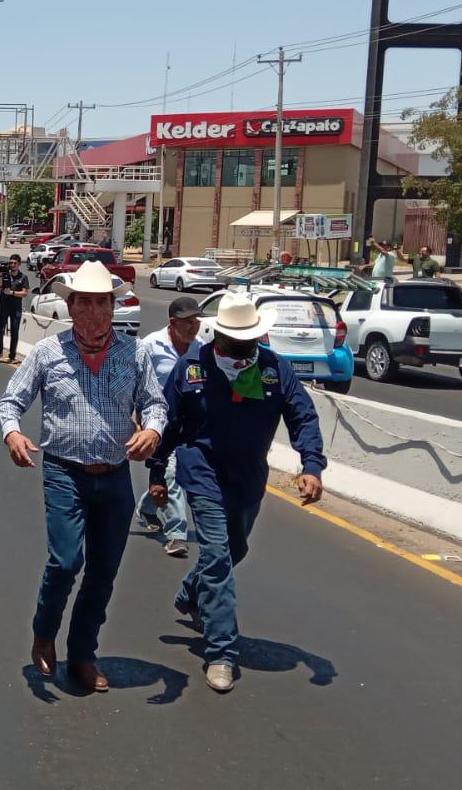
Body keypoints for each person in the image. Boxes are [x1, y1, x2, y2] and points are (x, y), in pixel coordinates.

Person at [0, 260, 168, 693]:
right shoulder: (48, 352)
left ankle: (83, 655)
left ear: (113, 306)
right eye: (85, 303)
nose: (94, 313)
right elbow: (10, 402)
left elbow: (156, 405)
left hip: (114, 479)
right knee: (66, 560)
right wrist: (13, 434)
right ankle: (43, 632)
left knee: (103, 571)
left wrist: (152, 429)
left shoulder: (135, 352)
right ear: (70, 307)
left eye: (102, 303)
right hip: (64, 473)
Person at [149, 291, 325, 693]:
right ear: (220, 335)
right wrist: (157, 474)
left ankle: (190, 591)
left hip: (248, 476)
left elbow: (303, 416)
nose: (245, 347)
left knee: (234, 550)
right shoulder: (191, 368)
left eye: (252, 339)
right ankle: (221, 652)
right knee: (216, 554)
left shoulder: (274, 369)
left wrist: (310, 465)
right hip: (202, 471)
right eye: (237, 340)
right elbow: (169, 424)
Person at [135, 296, 203, 557]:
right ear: (173, 322)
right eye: (187, 321)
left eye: (195, 321)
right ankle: (176, 534)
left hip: (189, 424)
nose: (192, 326)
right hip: (159, 422)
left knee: (177, 473)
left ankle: (148, 507)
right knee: (172, 473)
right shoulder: (151, 345)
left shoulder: (201, 349)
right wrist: (136, 418)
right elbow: (135, 382)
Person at [0, 254, 30, 363]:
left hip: (15, 308)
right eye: (11, 263)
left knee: (14, 331)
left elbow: (25, 293)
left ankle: (12, 355)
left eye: (15, 263)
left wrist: (12, 293)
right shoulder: (5, 275)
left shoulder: (23, 277)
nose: (12, 265)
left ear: (19, 264)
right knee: (0, 330)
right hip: (3, 306)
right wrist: (0, 275)